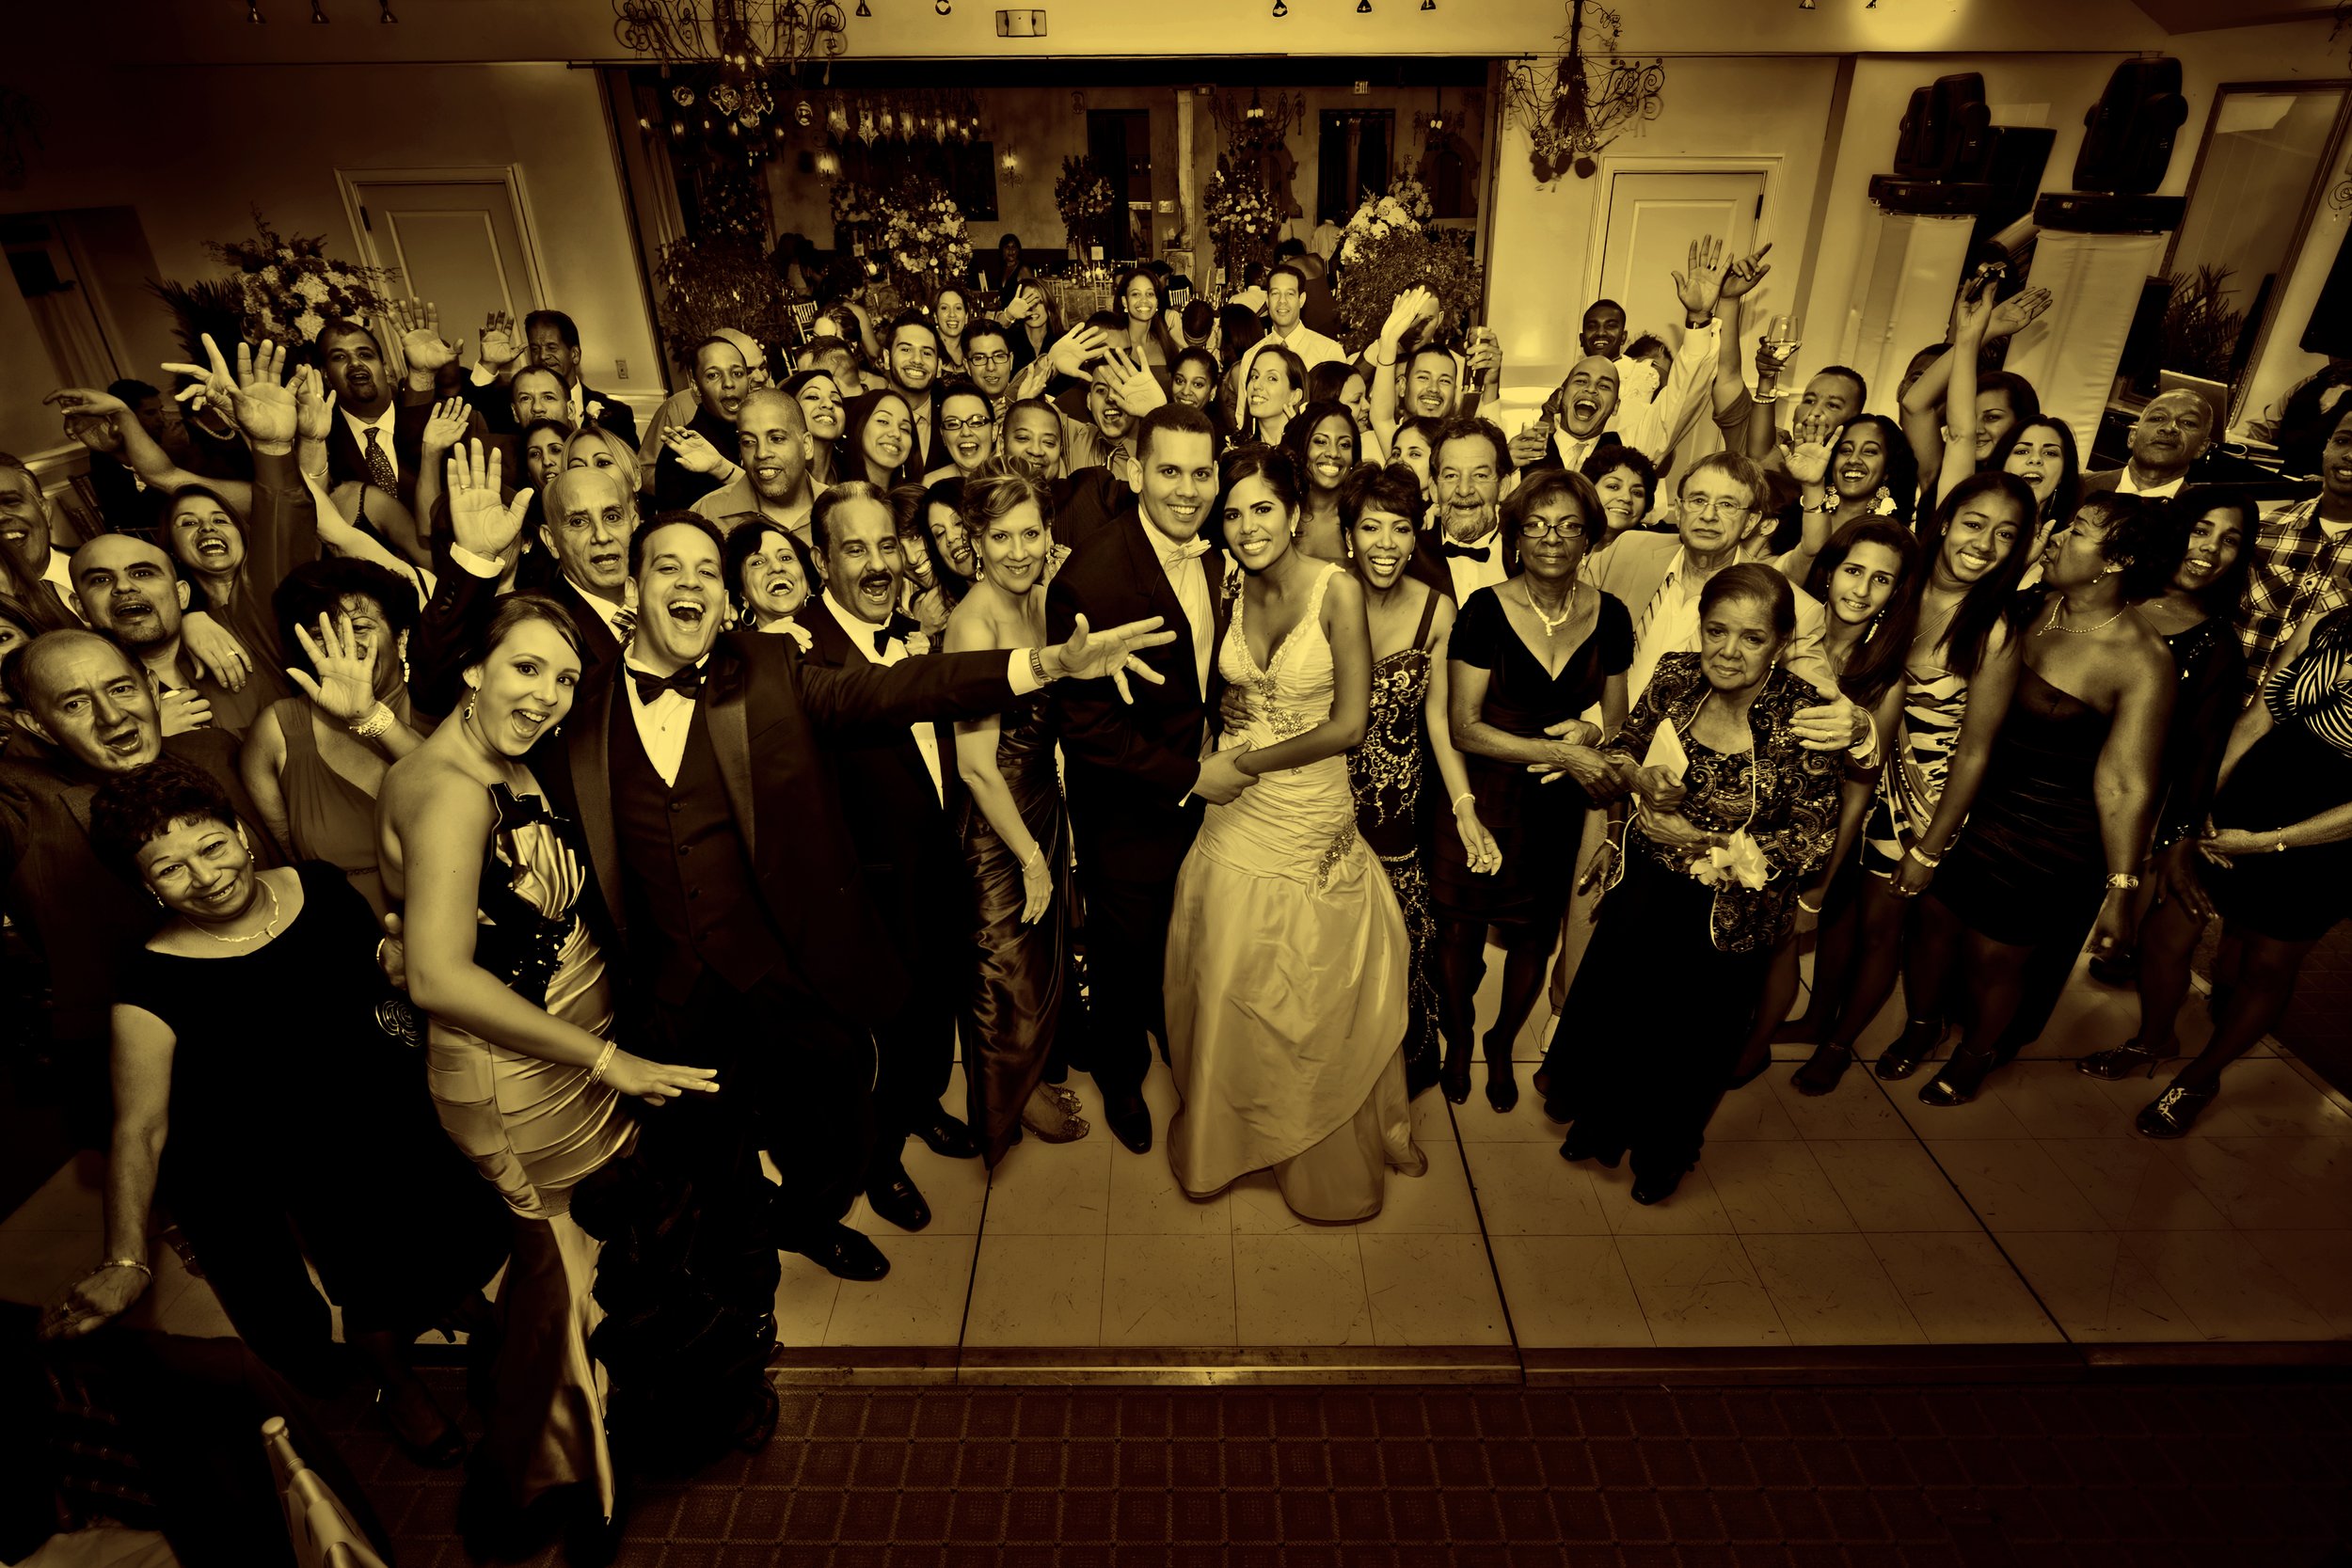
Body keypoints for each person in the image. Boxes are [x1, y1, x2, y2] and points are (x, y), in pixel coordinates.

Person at [378, 593, 735, 1548]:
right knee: (560, 1280)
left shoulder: (489, 758)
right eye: (526, 668)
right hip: (516, 1083)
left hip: (564, 1061)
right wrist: (613, 1059)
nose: (546, 695)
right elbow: (437, 976)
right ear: (473, 668)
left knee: (577, 1266)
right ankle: (553, 1480)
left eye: (566, 679)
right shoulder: (450, 788)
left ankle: (580, 1431)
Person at [45, 757, 508, 1468]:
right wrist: (126, 1256)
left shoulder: (320, 886)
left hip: (409, 1123)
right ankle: (396, 1382)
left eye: (211, 846)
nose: (206, 875)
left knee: (453, 1229)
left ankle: (458, 1300)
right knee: (372, 1287)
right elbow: (139, 1128)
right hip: (316, 1167)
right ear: (146, 887)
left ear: (240, 832)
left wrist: (407, 959)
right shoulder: (151, 984)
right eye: (171, 869)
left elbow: (382, 974)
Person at [1164, 444, 1420, 1219]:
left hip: (1306, 808)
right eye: (1232, 513)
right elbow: (1223, 687)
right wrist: (1222, 734)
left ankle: (1316, 1140)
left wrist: (1244, 761)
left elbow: (1350, 724)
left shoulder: (1337, 590)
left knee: (1309, 987)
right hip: (1234, 815)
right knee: (1230, 974)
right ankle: (1233, 1131)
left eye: (1263, 509)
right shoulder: (1227, 584)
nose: (1247, 526)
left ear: (1297, 512)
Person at [1547, 565, 1843, 1204]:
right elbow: (1627, 745)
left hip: (1730, 917)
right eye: (1717, 631)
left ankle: (1663, 1154)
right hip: (1647, 889)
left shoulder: (1805, 716)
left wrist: (1704, 842)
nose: (1728, 651)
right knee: (1624, 1016)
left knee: (1692, 1041)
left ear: (1780, 642)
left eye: (1752, 638)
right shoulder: (1677, 675)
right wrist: (1640, 779)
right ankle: (1602, 1124)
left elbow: (1813, 838)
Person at [1902, 492, 2173, 1107]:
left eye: (2077, 531)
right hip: (1977, 803)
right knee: (1932, 923)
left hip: (2050, 835)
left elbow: (2126, 783)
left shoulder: (2141, 659)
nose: (2055, 537)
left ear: (2117, 560)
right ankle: (1922, 1024)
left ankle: (1976, 1054)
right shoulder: (2036, 606)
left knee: (1993, 957)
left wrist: (2122, 889)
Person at [1787, 472, 2033, 1090]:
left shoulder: (1992, 630)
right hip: (1854, 778)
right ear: (1945, 521)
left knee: (1879, 930)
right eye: (1974, 523)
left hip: (1919, 803)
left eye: (2006, 534)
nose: (1984, 543)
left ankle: (1839, 1044)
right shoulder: (1898, 582)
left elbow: (1975, 752)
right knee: (1835, 911)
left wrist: (1928, 849)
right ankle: (1817, 1017)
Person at [1048, 404, 1247, 1156]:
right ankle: (1121, 1073)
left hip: (1207, 790)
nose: (1187, 490)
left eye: (1201, 473)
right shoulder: (1091, 578)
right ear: (1134, 472)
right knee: (1123, 949)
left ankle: (1173, 1027)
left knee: (1187, 933)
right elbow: (1089, 728)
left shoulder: (1224, 549)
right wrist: (1192, 777)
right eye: (1169, 471)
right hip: (1128, 808)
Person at [2082, 605, 2352, 1136]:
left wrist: (2267, 843)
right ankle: (2154, 1039)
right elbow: (2255, 720)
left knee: (2265, 968)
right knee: (2163, 935)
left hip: (2321, 844)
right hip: (2243, 805)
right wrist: (2201, 802)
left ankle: (2201, 1078)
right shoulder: (2330, 624)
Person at [796, 483, 987, 1228]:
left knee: (932, 1014)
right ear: (822, 561)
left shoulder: (911, 634)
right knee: (878, 1040)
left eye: (886, 545)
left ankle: (924, 1105)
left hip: (933, 871)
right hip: (865, 901)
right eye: (854, 548)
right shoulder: (801, 653)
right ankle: (879, 1161)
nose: (878, 564)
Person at [1443, 469, 1631, 1111]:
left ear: (1589, 540)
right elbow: (1464, 727)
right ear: (1517, 537)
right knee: (1460, 935)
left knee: (1533, 935)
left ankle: (1500, 1042)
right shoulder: (1483, 609)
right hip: (1481, 798)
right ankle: (1459, 1036)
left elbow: (1620, 726)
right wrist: (1559, 751)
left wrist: (1592, 732)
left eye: (1569, 527)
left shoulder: (1611, 615)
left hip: (1555, 807)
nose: (1553, 538)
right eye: (1538, 525)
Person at [1737, 518, 1921, 1084]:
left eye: (1881, 579)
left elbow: (1859, 791)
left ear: (1897, 593)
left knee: (1780, 948)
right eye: (1853, 570)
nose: (1861, 590)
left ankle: (1753, 1050)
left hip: (1812, 835)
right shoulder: (1784, 636)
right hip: (1745, 812)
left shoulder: (1886, 679)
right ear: (1830, 571)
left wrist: (1818, 886)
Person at [945, 468, 1091, 1161]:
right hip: (995, 819)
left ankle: (1032, 1075)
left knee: (1037, 953)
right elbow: (974, 765)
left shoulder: (1037, 598)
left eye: (1030, 533)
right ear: (976, 540)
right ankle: (1010, 1100)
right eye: (1000, 536)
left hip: (1038, 797)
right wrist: (1031, 857)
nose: (1018, 550)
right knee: (1004, 967)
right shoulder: (973, 624)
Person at [1341, 462, 1485, 1097]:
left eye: (1400, 528)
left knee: (1395, 939)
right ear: (1349, 535)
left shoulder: (1436, 610)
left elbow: (1439, 721)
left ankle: (1393, 1068)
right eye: (1370, 526)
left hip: (1395, 807)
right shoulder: (1319, 596)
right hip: (1320, 796)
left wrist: (1463, 803)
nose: (1385, 543)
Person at [2086, 485, 2251, 989]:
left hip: (2111, 813)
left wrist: (2178, 839)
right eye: (2200, 530)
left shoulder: (2218, 645)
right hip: (2033, 787)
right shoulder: (2108, 596)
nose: (2209, 549)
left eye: (2230, 540)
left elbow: (2203, 752)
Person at [241, 562, 421, 920]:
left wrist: (369, 716)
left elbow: (459, 791)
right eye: (320, 633)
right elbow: (285, 859)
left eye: (360, 627)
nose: (343, 644)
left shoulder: (445, 704)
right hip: (346, 928)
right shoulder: (279, 730)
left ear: (401, 637)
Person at [70, 533, 284, 738]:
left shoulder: (244, 634)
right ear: (80, 607)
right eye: (101, 580)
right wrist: (148, 736)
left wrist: (194, 617)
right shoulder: (80, 701)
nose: (124, 586)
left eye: (142, 573)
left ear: (181, 594)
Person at [2237, 400, 2352, 699]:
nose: (2350, 455)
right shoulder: (2264, 528)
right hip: (2221, 704)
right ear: (2326, 447)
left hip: (2307, 721)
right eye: (2343, 441)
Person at [1769, 412, 1919, 561]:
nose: (1853, 460)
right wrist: (1812, 485)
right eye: (1846, 450)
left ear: (1888, 468)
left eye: (1869, 451)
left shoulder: (1896, 538)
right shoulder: (1790, 516)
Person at [691, 386, 817, 539]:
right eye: (749, 442)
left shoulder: (838, 509)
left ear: (806, 445)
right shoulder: (707, 514)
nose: (761, 453)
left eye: (776, 439)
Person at [653, 335, 752, 513]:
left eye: (737, 373)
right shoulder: (682, 450)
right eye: (713, 375)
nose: (729, 383)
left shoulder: (763, 435)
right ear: (696, 387)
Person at [1430, 416, 1516, 609]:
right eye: (1451, 475)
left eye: (1480, 475)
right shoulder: (1409, 557)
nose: (1464, 489)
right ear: (1434, 488)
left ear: (1503, 487)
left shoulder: (1526, 559)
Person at [2083, 388, 2214, 499]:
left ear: (2201, 447)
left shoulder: (2204, 515)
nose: (2169, 428)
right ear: (2132, 436)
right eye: (2158, 418)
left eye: (2188, 422)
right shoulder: (2078, 487)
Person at [1281, 400, 1360, 562]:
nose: (1333, 453)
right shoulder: (1280, 513)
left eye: (1344, 445)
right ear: (1301, 447)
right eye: (1321, 442)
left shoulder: (1361, 518)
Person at [721, 515, 818, 630]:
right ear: (741, 591)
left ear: (807, 580)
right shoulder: (726, 641)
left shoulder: (836, 628)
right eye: (758, 562)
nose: (777, 567)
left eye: (785, 558)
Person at [882, 311, 946, 470]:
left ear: (939, 367)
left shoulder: (951, 418)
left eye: (927, 353)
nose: (917, 360)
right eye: (906, 350)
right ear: (887, 358)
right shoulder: (860, 415)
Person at [1263, 262, 1345, 370]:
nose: (1282, 300)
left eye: (1290, 294)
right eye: (1275, 293)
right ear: (1267, 300)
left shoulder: (1328, 353)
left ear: (1301, 300)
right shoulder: (1252, 356)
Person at [1233, 341, 1308, 447]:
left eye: (1272, 378)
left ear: (1295, 396)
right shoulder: (1235, 451)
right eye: (1255, 376)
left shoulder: (1307, 451)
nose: (1257, 385)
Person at [842, 388, 918, 488]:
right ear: (859, 425)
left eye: (904, 429)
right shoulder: (834, 494)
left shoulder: (917, 497)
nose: (896, 433)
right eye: (883, 421)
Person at [784, 368, 847, 487]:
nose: (829, 404)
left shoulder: (852, 477)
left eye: (836, 401)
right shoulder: (780, 479)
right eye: (813, 397)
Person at [928, 381, 998, 483]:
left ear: (994, 431)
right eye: (953, 424)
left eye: (976, 422)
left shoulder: (1015, 484)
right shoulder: (928, 487)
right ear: (943, 436)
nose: (966, 432)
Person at [931, 285, 977, 377]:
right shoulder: (928, 351)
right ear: (935, 316)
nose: (952, 314)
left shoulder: (974, 350)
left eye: (958, 308)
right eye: (944, 308)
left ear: (966, 316)